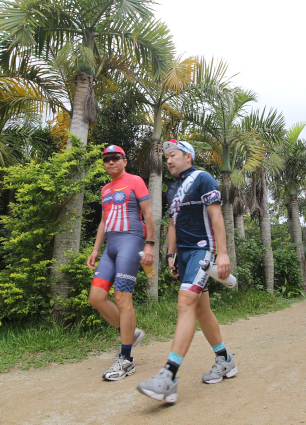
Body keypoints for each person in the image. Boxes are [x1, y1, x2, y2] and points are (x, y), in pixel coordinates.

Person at [137, 139, 237, 403]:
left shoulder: (203, 178)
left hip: (202, 251)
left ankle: (168, 376)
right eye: (166, 157)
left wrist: (223, 253)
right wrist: (170, 255)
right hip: (183, 254)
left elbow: (216, 217)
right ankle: (225, 359)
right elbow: (172, 224)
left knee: (185, 303)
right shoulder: (172, 189)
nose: (168, 160)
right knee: (201, 309)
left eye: (173, 155)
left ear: (188, 157)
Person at [87, 145, 156, 381]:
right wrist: (96, 249)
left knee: (122, 297)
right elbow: (104, 221)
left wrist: (150, 244)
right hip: (111, 247)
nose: (111, 162)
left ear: (124, 161)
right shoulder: (105, 189)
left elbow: (148, 214)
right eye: (106, 159)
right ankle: (129, 331)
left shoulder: (135, 180)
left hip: (132, 242)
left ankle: (126, 360)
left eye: (115, 158)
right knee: (96, 297)